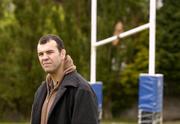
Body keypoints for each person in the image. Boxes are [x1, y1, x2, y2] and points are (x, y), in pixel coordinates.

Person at [31, 34, 99, 124]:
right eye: (41, 54)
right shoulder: (41, 90)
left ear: (62, 54)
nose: (44, 58)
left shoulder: (81, 90)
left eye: (49, 52)